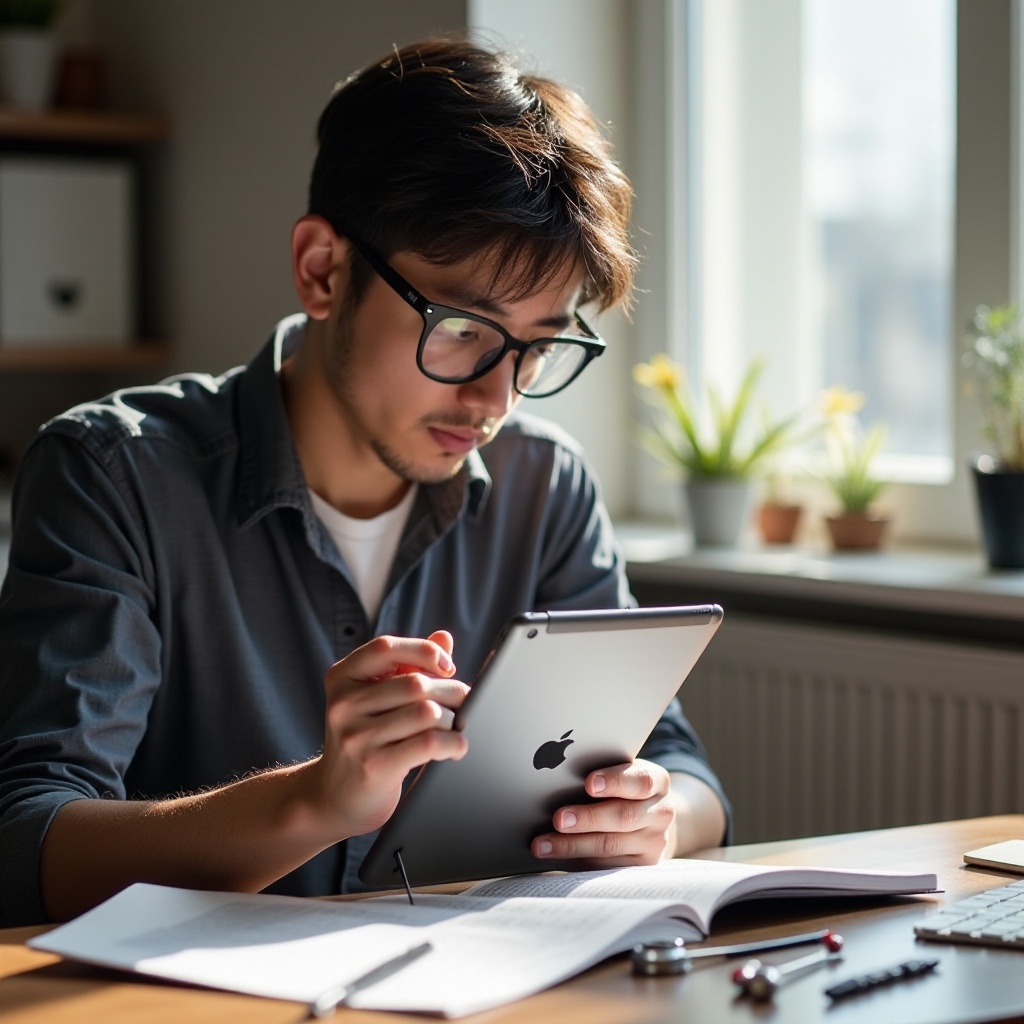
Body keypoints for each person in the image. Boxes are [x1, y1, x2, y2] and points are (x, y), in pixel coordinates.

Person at [0, 37, 729, 928]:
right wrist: (314, 803)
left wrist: (653, 815)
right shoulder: (114, 472)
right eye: (463, 327)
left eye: (540, 347)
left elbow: (692, 783)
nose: (495, 396)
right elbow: (25, 844)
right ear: (322, 270)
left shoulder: (547, 488)